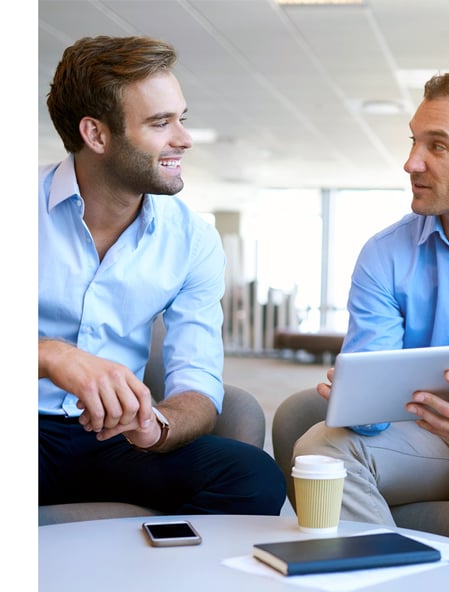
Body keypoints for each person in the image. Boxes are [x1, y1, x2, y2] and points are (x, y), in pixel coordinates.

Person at [292, 70, 449, 585]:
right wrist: (356, 400)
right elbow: (368, 413)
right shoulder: (383, 253)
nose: (411, 162)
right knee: (320, 445)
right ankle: (396, 584)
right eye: (414, 141)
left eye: (437, 145)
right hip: (417, 442)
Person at [38, 35, 286, 516]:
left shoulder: (192, 239)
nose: (185, 138)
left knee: (253, 477)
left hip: (115, 440)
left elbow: (197, 380)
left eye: (181, 118)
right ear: (97, 135)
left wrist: (160, 425)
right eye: (160, 122)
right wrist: (48, 355)